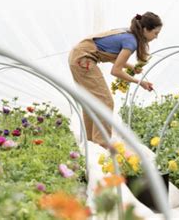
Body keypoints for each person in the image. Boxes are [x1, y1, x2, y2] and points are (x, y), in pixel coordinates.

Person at [69, 12, 162, 147]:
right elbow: (116, 71)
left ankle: (90, 144)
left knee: (91, 101)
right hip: (83, 60)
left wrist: (131, 67)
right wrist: (140, 82)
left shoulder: (127, 33)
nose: (156, 37)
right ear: (145, 29)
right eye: (155, 33)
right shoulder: (131, 41)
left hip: (78, 56)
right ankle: (101, 145)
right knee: (106, 102)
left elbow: (111, 56)